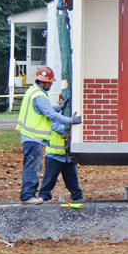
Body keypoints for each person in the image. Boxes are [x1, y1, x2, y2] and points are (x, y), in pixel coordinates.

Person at [16, 66, 81, 205]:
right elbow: (50, 114)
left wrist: (60, 107)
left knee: (32, 166)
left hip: (30, 137)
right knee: (33, 167)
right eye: (49, 82)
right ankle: (28, 196)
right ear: (42, 82)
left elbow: (48, 109)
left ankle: (29, 195)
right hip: (33, 137)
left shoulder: (33, 92)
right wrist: (71, 120)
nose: (51, 85)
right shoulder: (39, 95)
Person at [39, 96, 83, 202]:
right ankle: (44, 196)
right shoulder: (54, 116)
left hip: (67, 155)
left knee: (72, 179)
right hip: (54, 154)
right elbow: (57, 128)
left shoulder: (69, 116)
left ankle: (78, 197)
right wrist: (71, 124)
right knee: (49, 179)